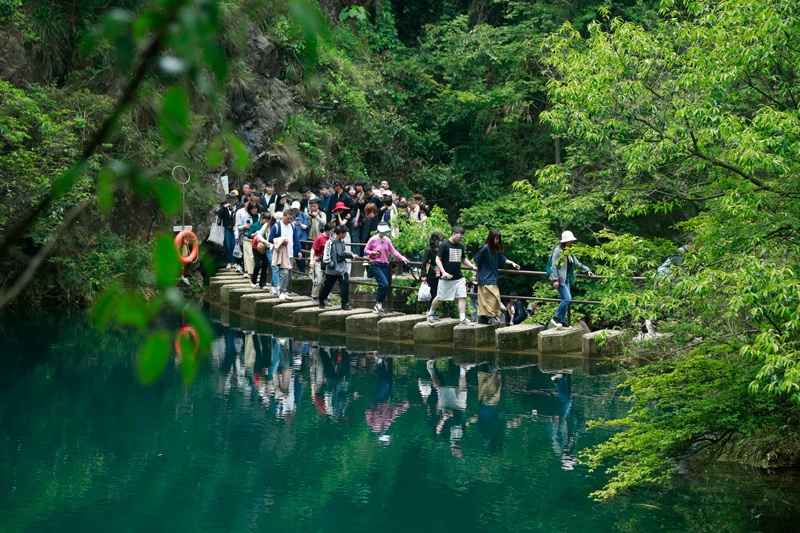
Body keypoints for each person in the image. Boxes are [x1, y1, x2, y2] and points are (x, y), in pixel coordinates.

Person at [426, 227, 478, 326]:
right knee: (439, 297)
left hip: (458, 276)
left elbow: (463, 259)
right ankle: (430, 313)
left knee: (462, 296)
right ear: (454, 234)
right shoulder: (444, 245)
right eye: (460, 236)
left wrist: (472, 267)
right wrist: (443, 272)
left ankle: (462, 319)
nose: (461, 239)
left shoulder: (461, 246)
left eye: (462, 237)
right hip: (446, 277)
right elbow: (437, 259)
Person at [548, 230, 594, 328]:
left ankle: (562, 321)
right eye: (569, 241)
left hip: (567, 278)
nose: (571, 242)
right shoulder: (558, 250)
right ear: (564, 241)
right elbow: (554, 265)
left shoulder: (569, 251)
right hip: (560, 279)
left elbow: (577, 264)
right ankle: (556, 317)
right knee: (567, 298)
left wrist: (587, 270)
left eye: (571, 241)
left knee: (566, 300)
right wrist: (555, 279)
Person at [474, 229, 521, 324]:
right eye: (496, 239)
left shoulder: (495, 249)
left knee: (489, 298)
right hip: (485, 277)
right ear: (491, 238)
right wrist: (478, 270)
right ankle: (490, 316)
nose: (497, 241)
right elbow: (476, 259)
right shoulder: (485, 248)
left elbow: (503, 259)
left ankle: (484, 318)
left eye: (498, 239)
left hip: (491, 277)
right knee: (491, 298)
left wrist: (512, 263)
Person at [364, 222, 409, 314]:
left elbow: (393, 251)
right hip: (376, 264)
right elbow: (366, 250)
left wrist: (403, 258)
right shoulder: (373, 239)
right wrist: (373, 253)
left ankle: (378, 305)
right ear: (379, 231)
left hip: (385, 265)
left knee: (384, 285)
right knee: (384, 284)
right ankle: (378, 305)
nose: (385, 233)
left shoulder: (387, 240)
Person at [318, 225, 362, 310]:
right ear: (341, 233)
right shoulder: (329, 243)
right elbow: (326, 257)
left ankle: (344, 304)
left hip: (342, 269)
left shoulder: (342, 242)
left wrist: (351, 254)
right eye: (345, 233)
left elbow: (343, 252)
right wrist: (332, 264)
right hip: (332, 270)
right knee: (327, 287)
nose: (345, 235)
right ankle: (321, 299)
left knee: (345, 285)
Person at [269, 208, 304, 300]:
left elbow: (296, 239)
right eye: (288, 218)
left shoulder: (292, 226)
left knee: (288, 274)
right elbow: (270, 239)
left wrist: (299, 251)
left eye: (291, 218)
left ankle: (283, 291)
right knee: (283, 273)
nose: (289, 220)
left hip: (291, 253)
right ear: (283, 216)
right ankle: (281, 291)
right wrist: (281, 241)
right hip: (281, 253)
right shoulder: (276, 226)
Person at [310, 222, 335, 305]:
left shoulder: (332, 238)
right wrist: (311, 260)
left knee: (327, 281)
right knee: (319, 280)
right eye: (332, 231)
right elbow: (313, 249)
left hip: (328, 262)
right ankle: (314, 295)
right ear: (327, 231)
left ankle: (325, 297)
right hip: (319, 260)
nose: (333, 232)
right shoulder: (319, 238)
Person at [421, 231, 444, 319]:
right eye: (438, 240)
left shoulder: (442, 249)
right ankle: (431, 310)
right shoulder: (429, 250)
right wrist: (424, 275)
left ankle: (433, 310)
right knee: (432, 293)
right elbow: (424, 263)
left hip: (440, 273)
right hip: (431, 273)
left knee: (438, 293)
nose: (440, 242)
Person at [251, 212, 273, 289]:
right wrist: (255, 234)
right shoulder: (258, 225)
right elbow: (252, 234)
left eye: (268, 220)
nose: (266, 221)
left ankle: (262, 283)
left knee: (264, 265)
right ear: (261, 218)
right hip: (257, 247)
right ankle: (253, 281)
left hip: (266, 247)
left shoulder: (272, 226)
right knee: (258, 264)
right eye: (265, 219)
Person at [217, 192, 238, 268]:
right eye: (230, 201)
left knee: (234, 245)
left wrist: (234, 212)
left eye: (232, 201)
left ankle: (234, 262)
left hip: (235, 229)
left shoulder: (237, 207)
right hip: (227, 228)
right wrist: (224, 208)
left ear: (235, 200)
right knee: (228, 245)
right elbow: (219, 215)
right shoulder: (224, 206)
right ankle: (229, 262)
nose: (231, 203)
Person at [239, 202, 259, 277]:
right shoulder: (244, 217)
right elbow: (238, 227)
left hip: (258, 239)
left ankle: (254, 272)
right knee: (249, 256)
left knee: (255, 257)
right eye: (252, 208)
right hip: (247, 238)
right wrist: (244, 226)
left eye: (255, 208)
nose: (254, 210)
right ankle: (251, 274)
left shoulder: (260, 216)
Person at [291, 201, 310, 278]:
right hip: (293, 238)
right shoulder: (290, 215)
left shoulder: (303, 215)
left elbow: (307, 227)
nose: (295, 210)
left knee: (301, 255)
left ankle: (302, 272)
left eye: (296, 209)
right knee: (294, 255)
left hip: (302, 238)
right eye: (294, 209)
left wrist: (300, 224)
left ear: (299, 208)